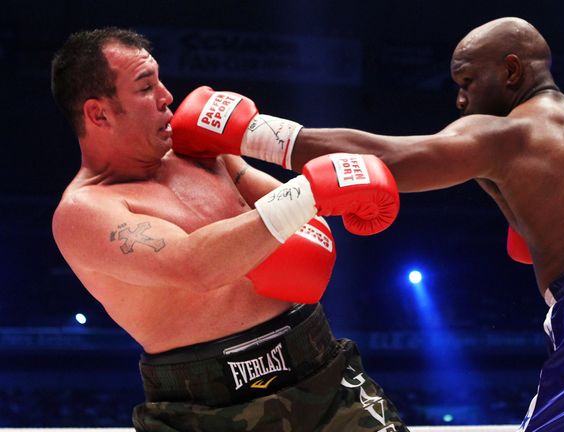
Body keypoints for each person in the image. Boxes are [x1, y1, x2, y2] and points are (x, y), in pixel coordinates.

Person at [170, 17, 564, 432]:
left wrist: (251, 131)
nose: (459, 101)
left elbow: (387, 159)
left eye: (466, 82)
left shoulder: (506, 133)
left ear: (511, 71)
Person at [50, 27, 409, 432]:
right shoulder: (86, 211)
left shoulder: (199, 152)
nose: (167, 96)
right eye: (146, 87)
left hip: (321, 367)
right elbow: (196, 266)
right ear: (99, 113)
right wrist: (310, 189)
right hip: (207, 409)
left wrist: (255, 138)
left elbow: (308, 223)